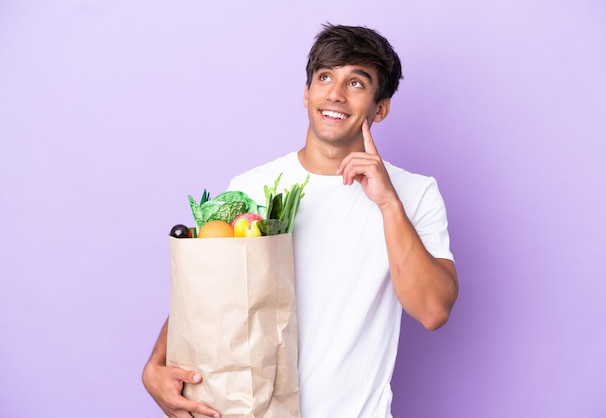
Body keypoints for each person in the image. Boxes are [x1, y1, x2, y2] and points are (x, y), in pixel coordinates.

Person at [143, 23, 459, 418]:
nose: (335, 94)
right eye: (325, 77)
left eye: (356, 83)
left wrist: (388, 202)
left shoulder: (414, 193)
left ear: (381, 107)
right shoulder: (252, 188)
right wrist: (157, 364)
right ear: (306, 92)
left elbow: (433, 310)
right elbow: (208, 293)